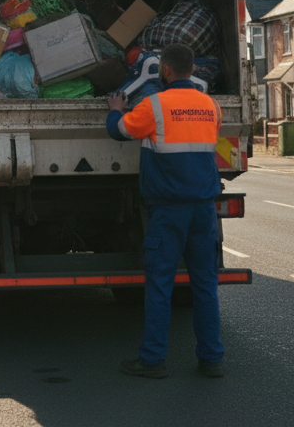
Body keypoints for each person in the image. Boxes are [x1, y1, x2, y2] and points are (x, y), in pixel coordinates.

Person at [106, 42, 224, 379]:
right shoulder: (211, 106)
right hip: (203, 210)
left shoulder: (153, 106)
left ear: (165, 70)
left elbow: (119, 131)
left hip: (168, 210)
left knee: (160, 285)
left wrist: (116, 108)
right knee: (205, 286)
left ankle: (154, 360)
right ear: (194, 70)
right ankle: (212, 359)